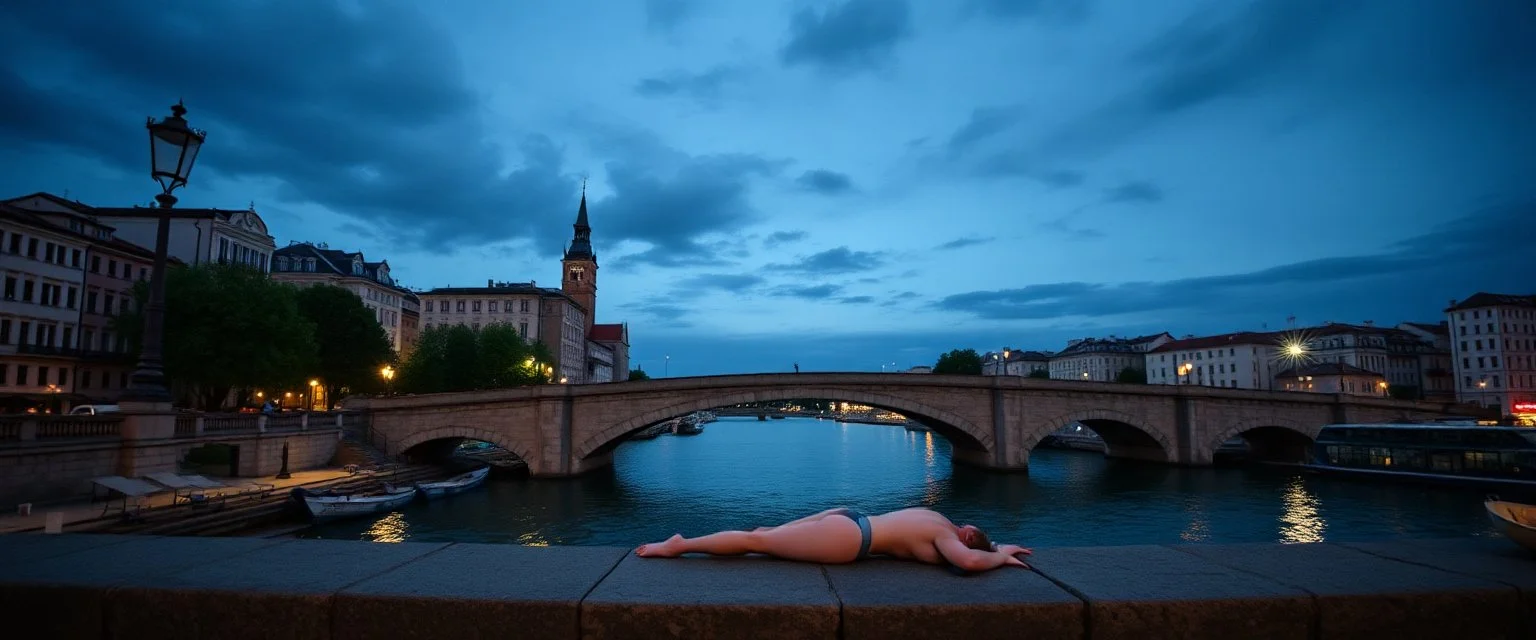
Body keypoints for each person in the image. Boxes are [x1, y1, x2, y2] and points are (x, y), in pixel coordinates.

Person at [634, 507, 1031, 573]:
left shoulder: (939, 519)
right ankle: (679, 545)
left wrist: (999, 548)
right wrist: (1001, 556)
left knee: (761, 535)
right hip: (850, 538)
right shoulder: (947, 535)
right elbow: (970, 562)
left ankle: (682, 544)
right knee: (759, 542)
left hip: (849, 515)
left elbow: (975, 552)